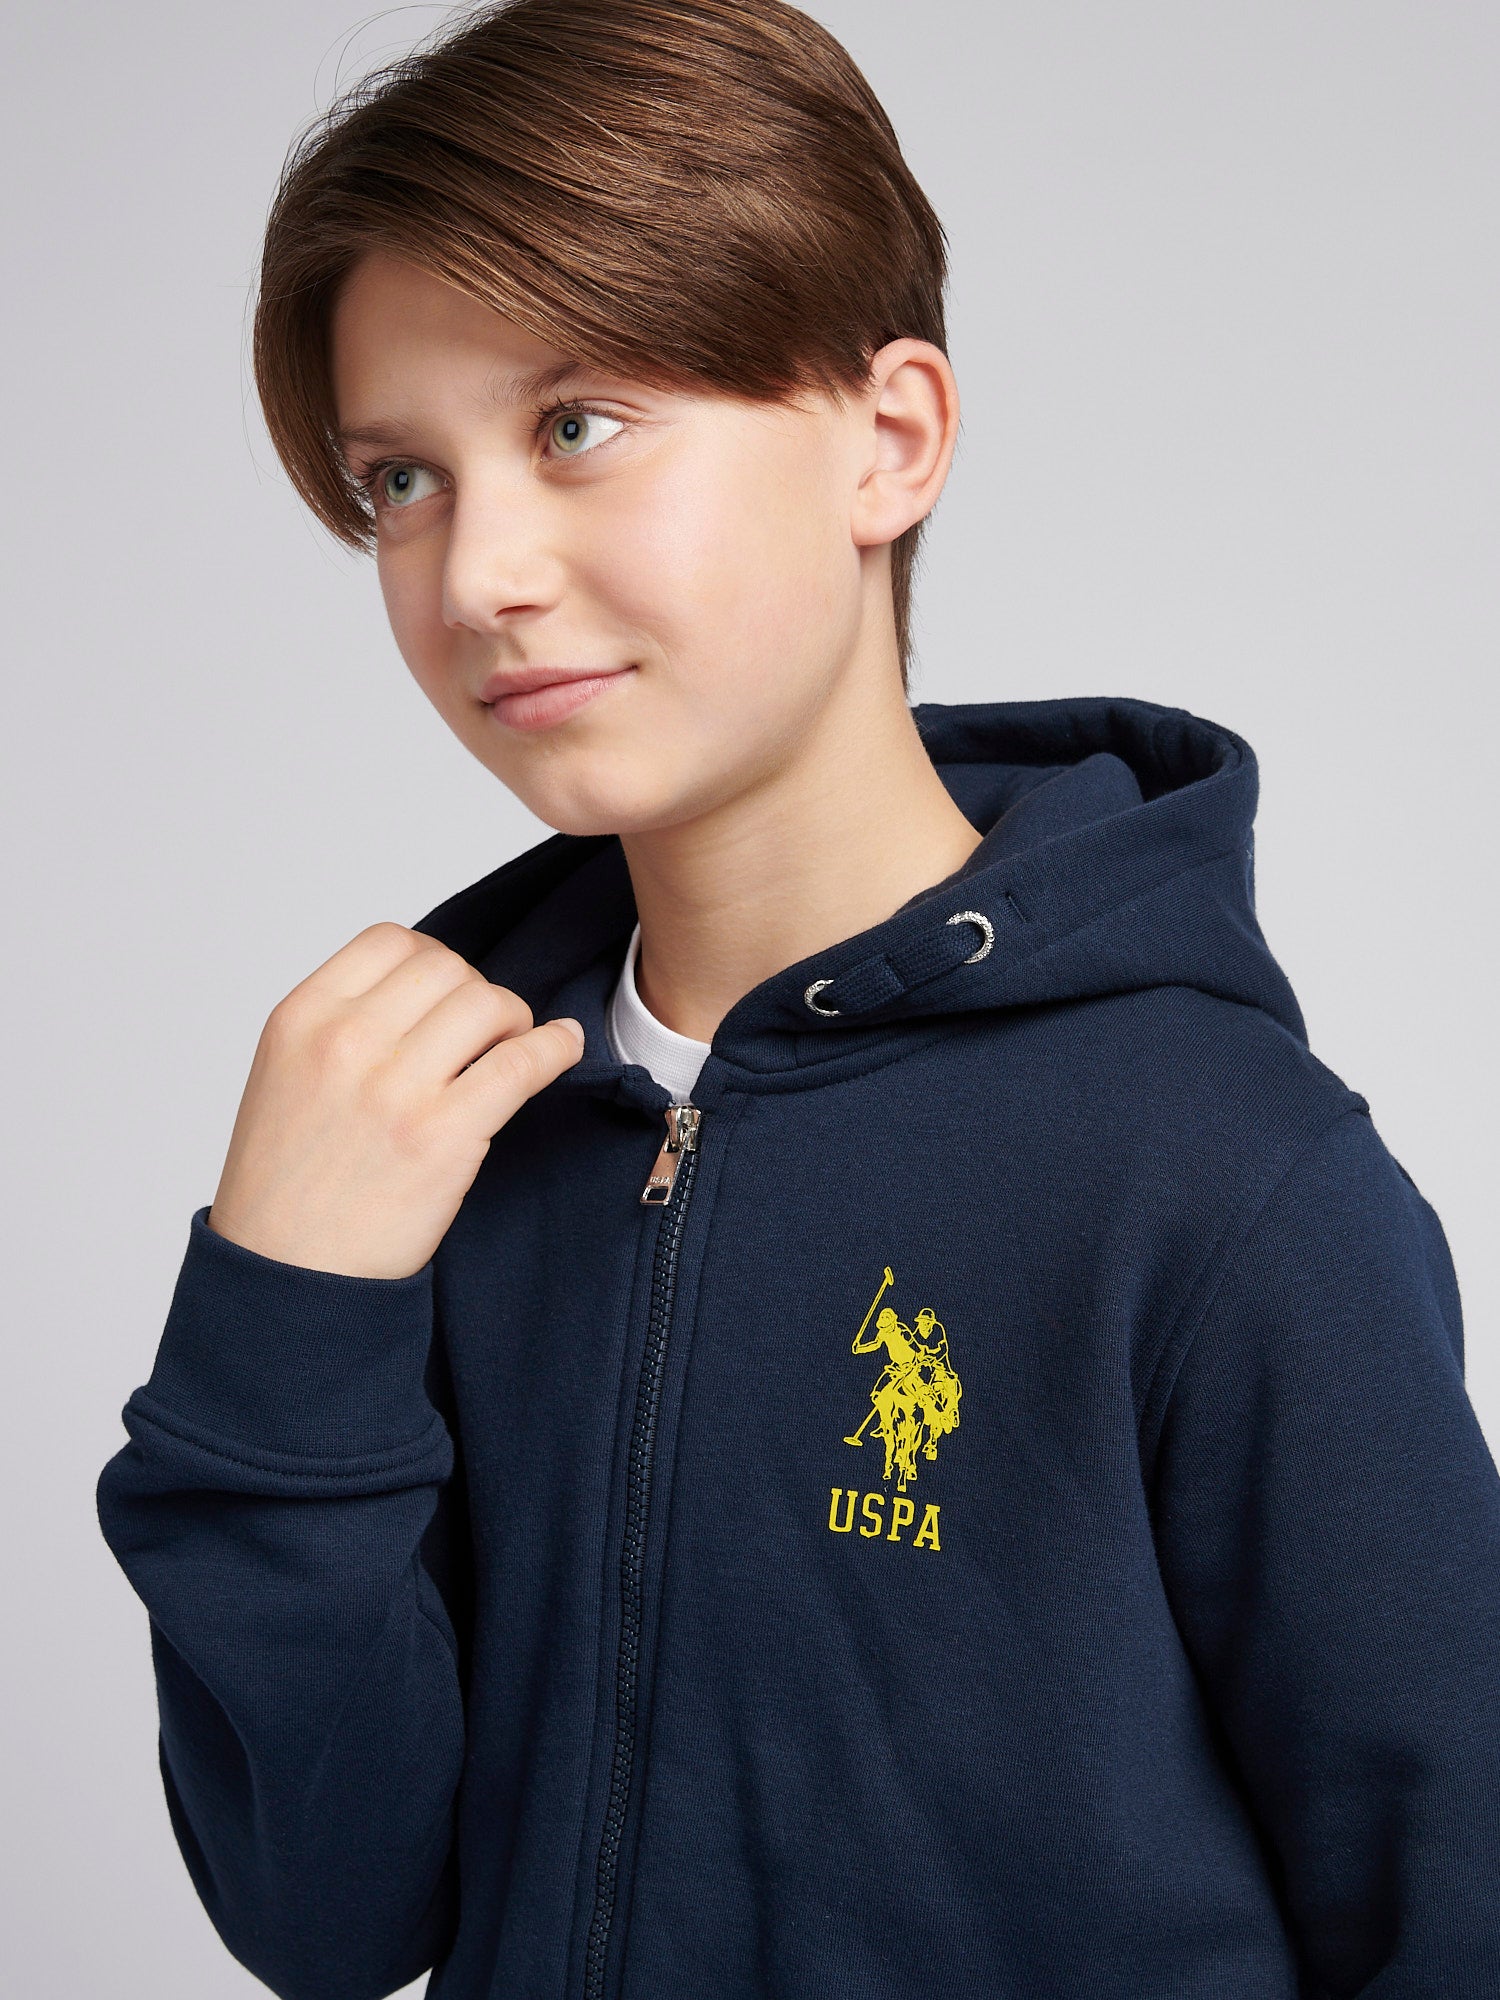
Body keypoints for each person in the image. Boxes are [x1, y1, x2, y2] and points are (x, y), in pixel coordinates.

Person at [94, 1, 1500, 1995]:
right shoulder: (433, 1136)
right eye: (401, 477)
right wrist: (283, 1308)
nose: (476, 574)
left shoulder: (1220, 1175)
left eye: (577, 425)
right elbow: (329, 1914)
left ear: (888, 439)